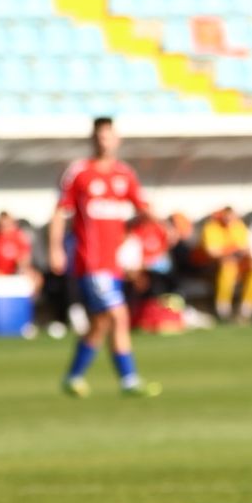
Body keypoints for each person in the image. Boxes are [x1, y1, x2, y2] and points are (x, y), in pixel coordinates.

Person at [50, 116, 162, 398]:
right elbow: (60, 212)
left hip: (113, 264)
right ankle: (129, 380)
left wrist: (158, 226)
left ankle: (73, 377)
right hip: (91, 261)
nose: (104, 141)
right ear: (93, 139)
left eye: (109, 136)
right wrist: (55, 248)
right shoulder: (80, 172)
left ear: (117, 140)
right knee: (119, 315)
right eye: (100, 136)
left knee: (100, 323)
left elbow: (143, 210)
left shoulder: (125, 175)